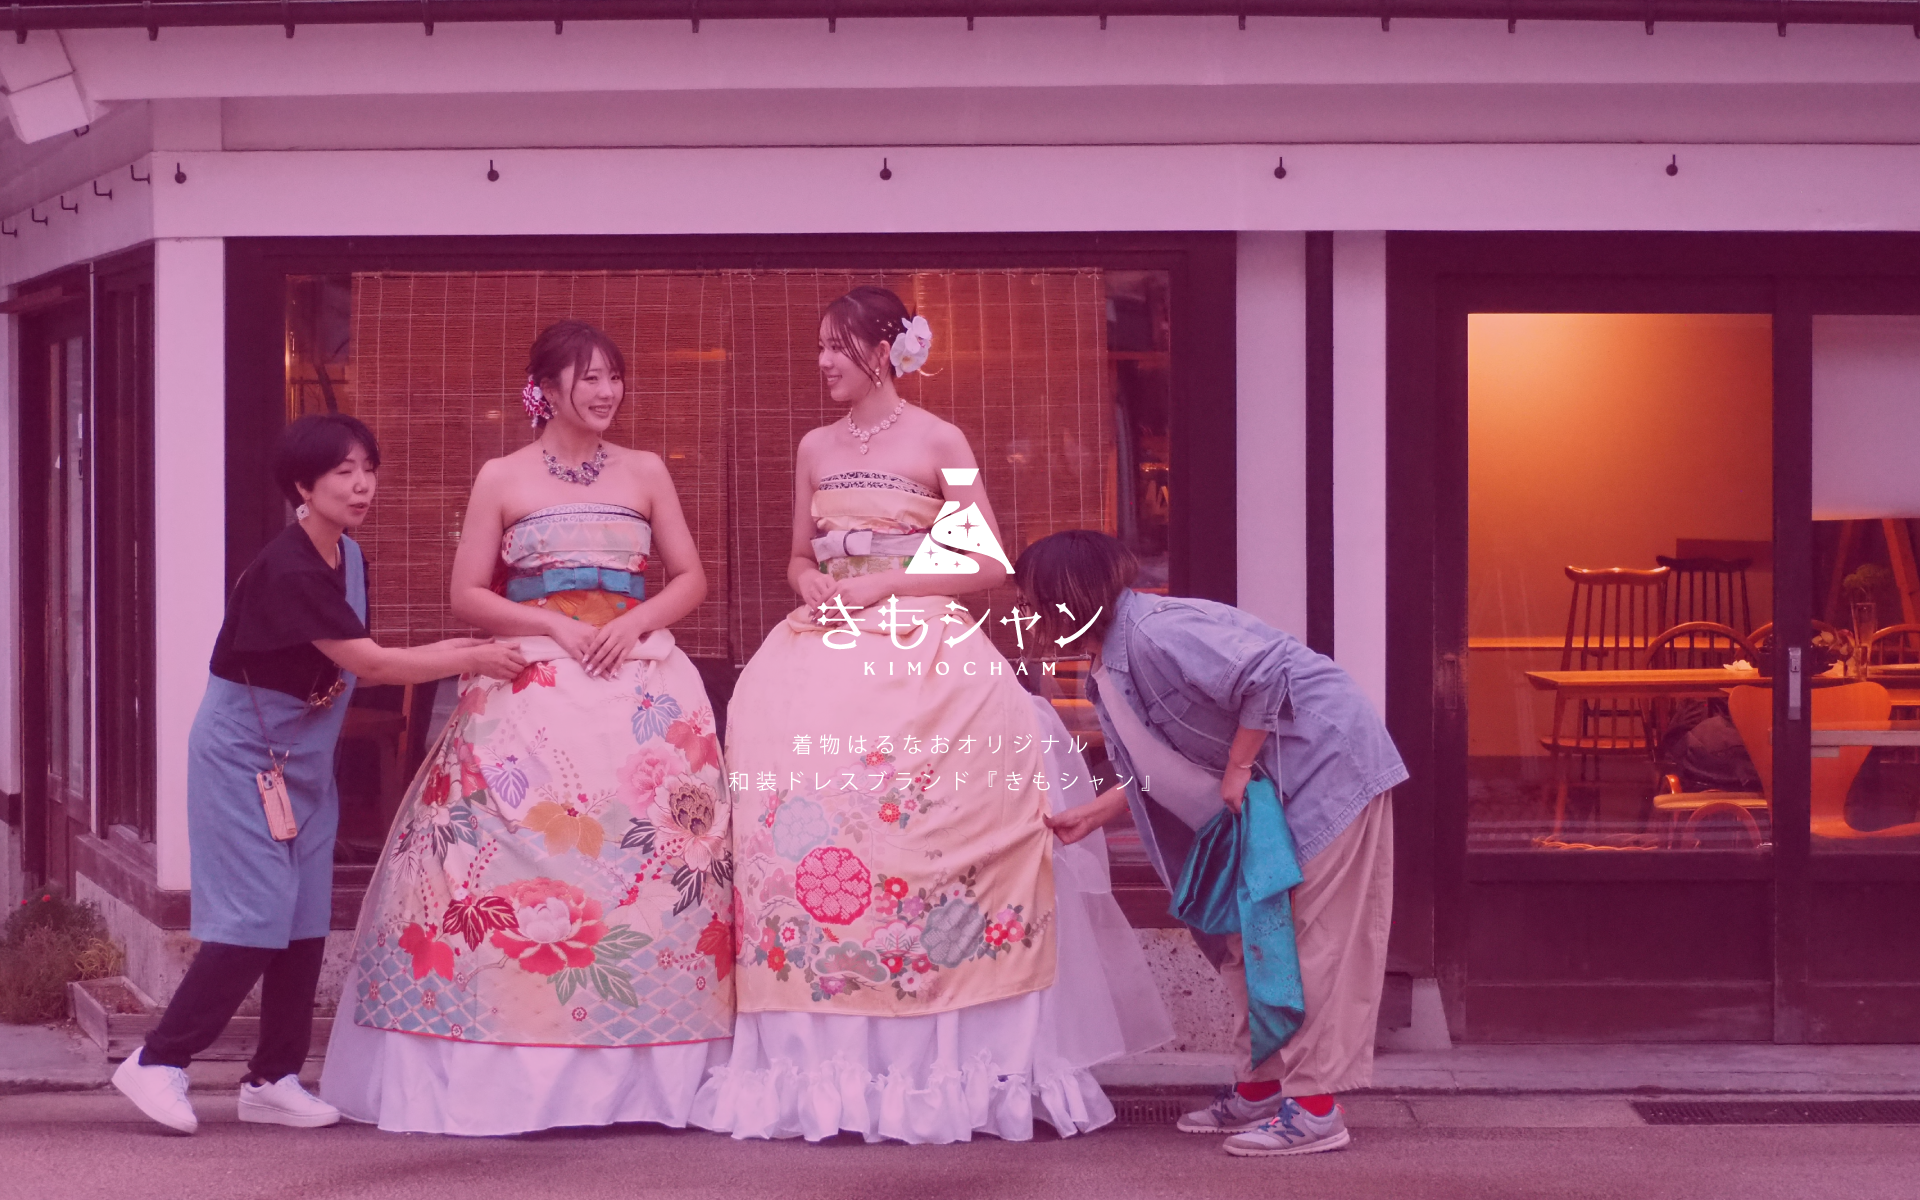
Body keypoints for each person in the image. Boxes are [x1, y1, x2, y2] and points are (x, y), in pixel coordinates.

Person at [693, 286, 1170, 1145]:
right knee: (810, 831)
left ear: (885, 350)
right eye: (820, 346)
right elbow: (797, 554)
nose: (822, 362)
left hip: (922, 647)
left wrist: (885, 584)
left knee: (930, 833)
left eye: (837, 346)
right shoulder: (813, 446)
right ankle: (829, 1054)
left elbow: (985, 563)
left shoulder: (940, 438)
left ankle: (949, 1055)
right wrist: (809, 580)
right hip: (821, 645)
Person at [319, 321, 737, 1136]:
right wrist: (551, 627)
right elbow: (467, 593)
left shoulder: (646, 470)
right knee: (508, 851)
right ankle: (503, 1057)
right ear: (543, 388)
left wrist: (632, 624)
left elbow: (690, 577)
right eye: (588, 377)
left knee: (649, 863)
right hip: (534, 681)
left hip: (638, 679)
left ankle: (649, 1064)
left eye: (613, 376)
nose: (606, 391)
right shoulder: (502, 476)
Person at [111, 415, 526, 1136]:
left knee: (304, 920)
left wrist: (461, 652)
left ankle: (273, 1078)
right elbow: (370, 664)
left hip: (304, 759)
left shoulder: (348, 556)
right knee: (254, 920)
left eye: (368, 468)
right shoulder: (290, 568)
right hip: (245, 758)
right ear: (303, 486)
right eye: (342, 472)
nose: (361, 484)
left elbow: (356, 659)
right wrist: (471, 655)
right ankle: (158, 1059)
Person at [1021, 530, 1407, 1159]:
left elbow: (1268, 671)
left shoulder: (1158, 630)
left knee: (1311, 942)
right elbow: (1160, 759)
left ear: (1067, 596)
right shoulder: (1107, 662)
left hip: (1324, 771)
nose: (1029, 615)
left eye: (1034, 600)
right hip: (1259, 804)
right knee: (1246, 941)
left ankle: (1315, 1110)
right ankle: (1262, 1088)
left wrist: (1238, 765)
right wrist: (1097, 813)